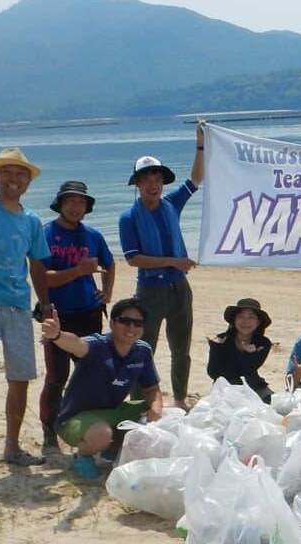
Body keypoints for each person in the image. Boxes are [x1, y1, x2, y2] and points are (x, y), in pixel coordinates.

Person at [0, 148, 51, 485]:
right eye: (8, 172)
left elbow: (37, 264)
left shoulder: (32, 220)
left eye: (21, 174)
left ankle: (12, 448)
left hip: (18, 303)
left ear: (28, 182)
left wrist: (45, 303)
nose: (14, 179)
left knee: (20, 377)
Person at [118, 122, 205, 411]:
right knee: (143, 348)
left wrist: (200, 145)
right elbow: (133, 259)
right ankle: (139, 403)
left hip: (180, 287)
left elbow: (196, 179)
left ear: (162, 182)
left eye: (157, 178)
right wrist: (173, 261)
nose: (153, 184)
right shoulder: (128, 217)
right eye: (146, 180)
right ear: (138, 185)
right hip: (150, 291)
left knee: (182, 348)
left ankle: (179, 398)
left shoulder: (172, 204)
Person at [42, 298, 162, 480]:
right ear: (113, 323)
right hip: (75, 418)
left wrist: (156, 409)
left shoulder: (142, 351)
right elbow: (77, 345)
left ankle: (111, 450)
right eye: (125, 321)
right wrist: (57, 336)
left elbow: (152, 389)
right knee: (102, 434)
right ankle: (82, 456)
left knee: (162, 412)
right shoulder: (98, 345)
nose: (131, 328)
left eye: (137, 323)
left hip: (113, 412)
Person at [37, 180, 115, 452]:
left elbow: (110, 262)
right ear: (60, 204)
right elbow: (42, 278)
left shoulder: (93, 235)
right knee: (56, 376)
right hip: (58, 316)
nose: (75, 206)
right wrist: (78, 271)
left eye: (81, 202)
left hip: (89, 314)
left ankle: (86, 424)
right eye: (70, 201)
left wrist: (107, 292)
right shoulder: (46, 234)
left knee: (90, 372)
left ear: (87, 207)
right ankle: (49, 432)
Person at [207, 298, 274, 402]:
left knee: (273, 403)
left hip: (253, 385)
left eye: (251, 317)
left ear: (258, 322)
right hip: (225, 386)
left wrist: (248, 354)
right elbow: (213, 372)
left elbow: (248, 371)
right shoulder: (221, 340)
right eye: (241, 316)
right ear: (234, 320)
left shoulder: (263, 343)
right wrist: (216, 348)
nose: (245, 321)